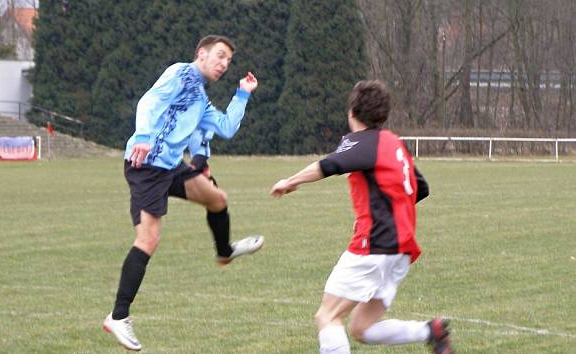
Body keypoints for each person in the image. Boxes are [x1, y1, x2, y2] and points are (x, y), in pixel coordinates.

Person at [103, 35, 265, 351]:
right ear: (201, 54)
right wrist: (144, 137)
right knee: (148, 240)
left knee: (217, 199)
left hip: (170, 167)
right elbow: (148, 103)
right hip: (146, 165)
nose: (223, 64)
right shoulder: (180, 73)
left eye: (228, 61)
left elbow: (227, 127)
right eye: (219, 56)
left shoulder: (200, 98)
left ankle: (224, 252)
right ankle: (118, 317)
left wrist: (242, 94)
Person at [270, 80, 454, 354]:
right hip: (400, 250)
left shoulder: (363, 141)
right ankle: (431, 331)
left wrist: (290, 180)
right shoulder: (394, 143)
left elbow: (330, 164)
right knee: (362, 329)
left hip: (375, 245)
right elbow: (421, 188)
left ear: (352, 111)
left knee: (328, 316)